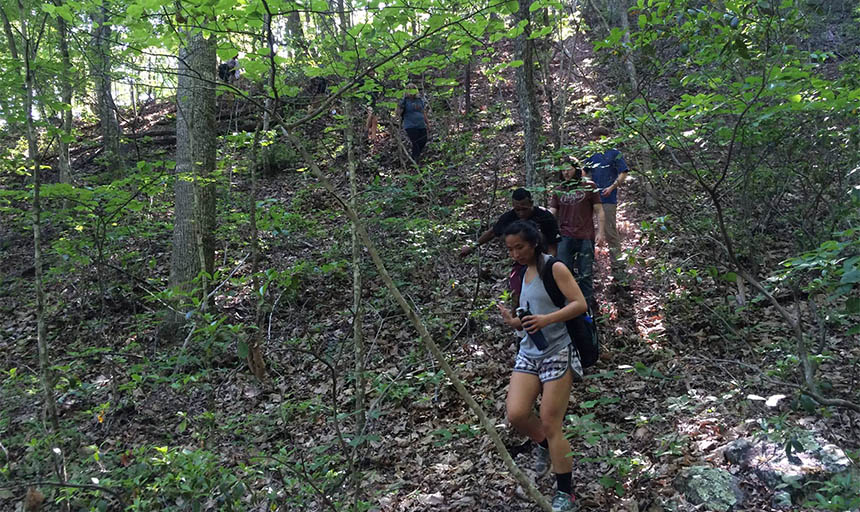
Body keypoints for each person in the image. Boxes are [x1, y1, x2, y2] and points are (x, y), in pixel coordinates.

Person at [496, 220, 587, 512]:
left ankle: (565, 494)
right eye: (510, 249)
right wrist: (514, 322)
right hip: (528, 350)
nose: (515, 254)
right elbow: (531, 313)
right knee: (517, 413)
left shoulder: (554, 268)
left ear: (534, 242)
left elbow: (579, 304)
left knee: (551, 422)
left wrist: (547, 320)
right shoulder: (521, 272)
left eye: (519, 247)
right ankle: (548, 447)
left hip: (558, 351)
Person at [459, 188, 560, 302]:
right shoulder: (509, 217)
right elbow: (493, 232)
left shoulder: (545, 216)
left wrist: (547, 266)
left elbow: (553, 246)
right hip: (521, 262)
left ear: (531, 203)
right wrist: (472, 247)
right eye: (518, 210)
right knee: (516, 290)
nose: (521, 213)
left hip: (542, 259)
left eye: (524, 209)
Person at [550, 156, 605, 309]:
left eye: (569, 169)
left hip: (585, 236)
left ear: (576, 169)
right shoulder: (559, 190)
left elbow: (599, 210)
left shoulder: (589, 186)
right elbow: (552, 213)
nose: (566, 173)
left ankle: (586, 308)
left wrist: (601, 232)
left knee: (585, 274)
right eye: (563, 170)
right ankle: (567, 306)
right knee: (563, 272)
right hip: (565, 237)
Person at [584, 126, 629, 276]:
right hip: (592, 198)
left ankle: (618, 270)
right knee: (587, 230)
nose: (596, 141)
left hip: (608, 198)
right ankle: (589, 267)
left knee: (610, 232)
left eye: (599, 138)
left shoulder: (615, 154)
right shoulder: (592, 154)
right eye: (594, 139)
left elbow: (623, 173)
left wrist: (612, 186)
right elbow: (583, 172)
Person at [396, 83, 429, 163]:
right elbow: (398, 113)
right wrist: (400, 106)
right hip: (410, 125)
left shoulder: (420, 100)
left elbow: (423, 111)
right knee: (415, 142)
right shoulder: (404, 101)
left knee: (423, 140)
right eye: (409, 90)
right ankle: (415, 160)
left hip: (421, 124)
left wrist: (427, 123)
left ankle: (415, 156)